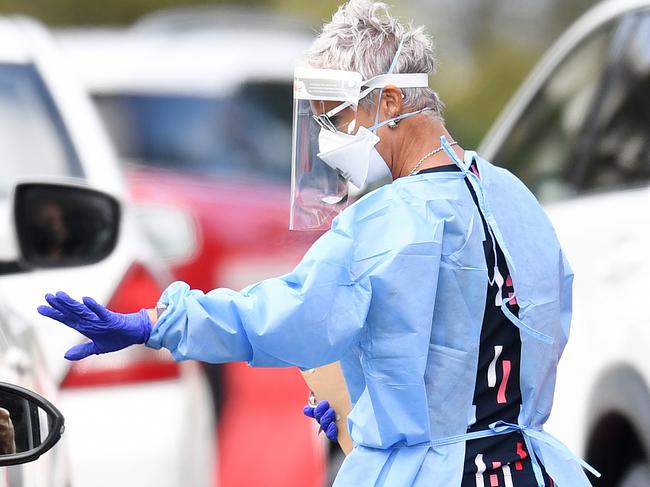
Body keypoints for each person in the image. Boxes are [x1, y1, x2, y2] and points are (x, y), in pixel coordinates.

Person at [37, 1, 600, 485]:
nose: (329, 140)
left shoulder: (387, 221)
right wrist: (364, 411)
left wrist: (158, 323)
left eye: (335, 115)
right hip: (533, 468)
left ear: (392, 103)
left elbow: (284, 314)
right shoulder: (516, 198)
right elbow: (496, 343)